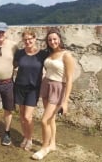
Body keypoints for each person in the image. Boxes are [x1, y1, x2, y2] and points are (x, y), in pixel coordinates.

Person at [32, 28, 75, 160]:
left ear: (60, 39)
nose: (52, 41)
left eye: (55, 39)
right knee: (51, 119)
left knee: (44, 120)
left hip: (58, 88)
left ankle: (44, 148)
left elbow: (69, 80)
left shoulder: (66, 55)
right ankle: (53, 144)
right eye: (50, 39)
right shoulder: (49, 54)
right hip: (46, 85)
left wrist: (65, 101)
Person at [13, 30, 48, 151]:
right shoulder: (20, 53)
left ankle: (30, 138)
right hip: (19, 87)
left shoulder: (42, 54)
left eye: (30, 39)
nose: (28, 41)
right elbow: (12, 65)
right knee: (22, 116)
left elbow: (52, 67)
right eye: (25, 40)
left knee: (28, 116)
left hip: (33, 89)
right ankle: (25, 137)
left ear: (35, 39)